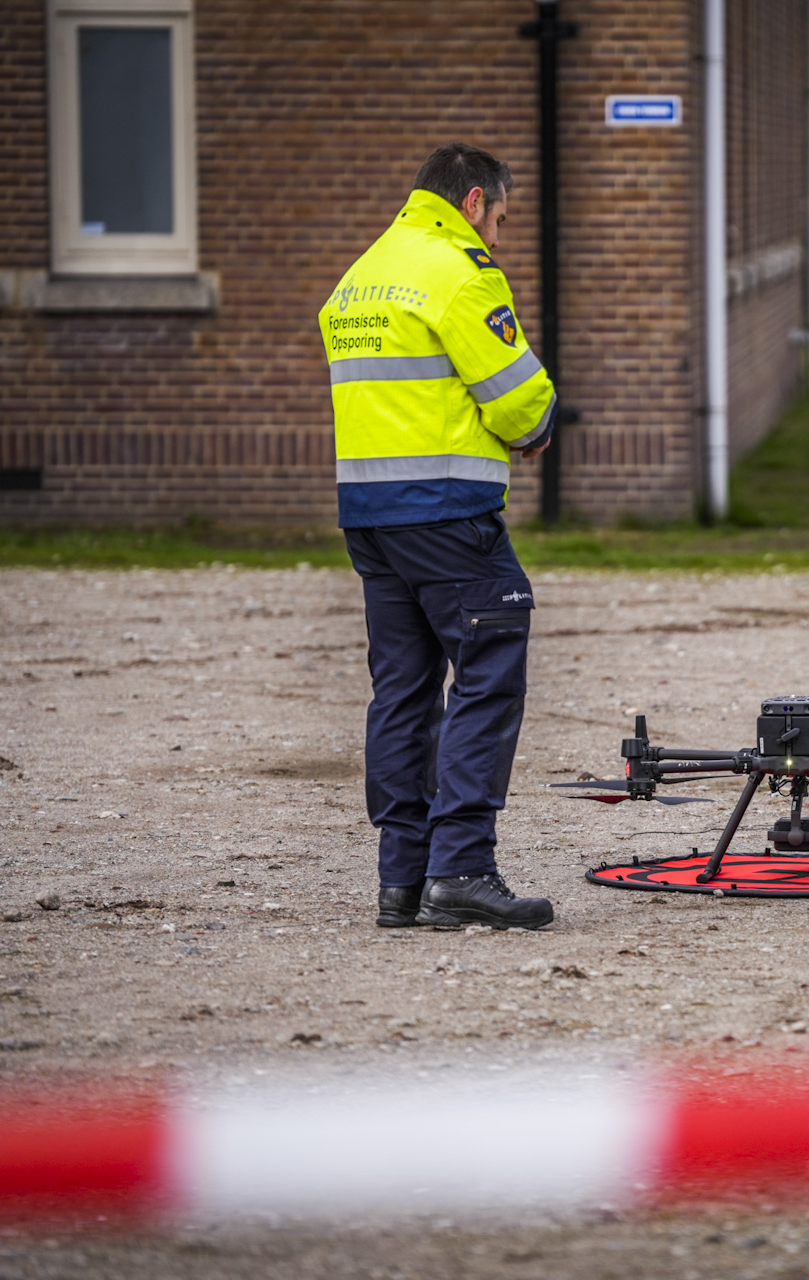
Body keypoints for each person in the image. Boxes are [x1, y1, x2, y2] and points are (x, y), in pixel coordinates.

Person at [318, 142, 559, 930]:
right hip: (447, 512)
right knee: (489, 669)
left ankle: (402, 881)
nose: (500, 237)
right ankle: (461, 868)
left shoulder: (365, 273)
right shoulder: (458, 269)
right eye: (500, 219)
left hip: (370, 517)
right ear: (474, 201)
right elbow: (520, 399)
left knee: (404, 689)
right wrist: (539, 423)